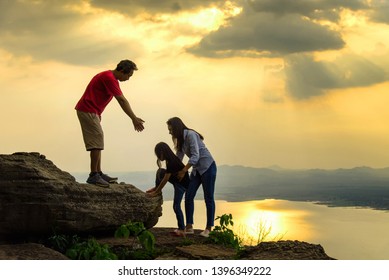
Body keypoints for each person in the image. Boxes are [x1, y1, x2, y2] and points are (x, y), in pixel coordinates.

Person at [75, 59, 145, 187]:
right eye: (129, 75)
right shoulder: (109, 78)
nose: (128, 79)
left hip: (92, 111)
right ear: (122, 71)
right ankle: (93, 175)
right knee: (96, 140)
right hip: (87, 110)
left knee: (98, 140)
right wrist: (134, 118)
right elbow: (122, 101)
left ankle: (98, 172)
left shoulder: (110, 78)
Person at [166, 117, 217, 237]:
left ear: (176, 128)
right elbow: (178, 157)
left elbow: (195, 155)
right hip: (196, 170)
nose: (169, 132)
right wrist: (170, 169)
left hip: (208, 167)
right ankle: (189, 227)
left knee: (208, 198)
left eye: (171, 129)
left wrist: (184, 170)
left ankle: (208, 229)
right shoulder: (181, 140)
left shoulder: (191, 135)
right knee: (188, 196)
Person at [147, 142, 190, 236]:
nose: (158, 156)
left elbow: (166, 179)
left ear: (163, 152)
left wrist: (156, 192)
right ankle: (156, 188)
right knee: (160, 171)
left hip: (181, 185)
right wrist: (157, 188)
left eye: (158, 154)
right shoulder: (170, 160)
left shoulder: (172, 161)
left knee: (176, 206)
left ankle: (182, 229)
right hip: (177, 181)